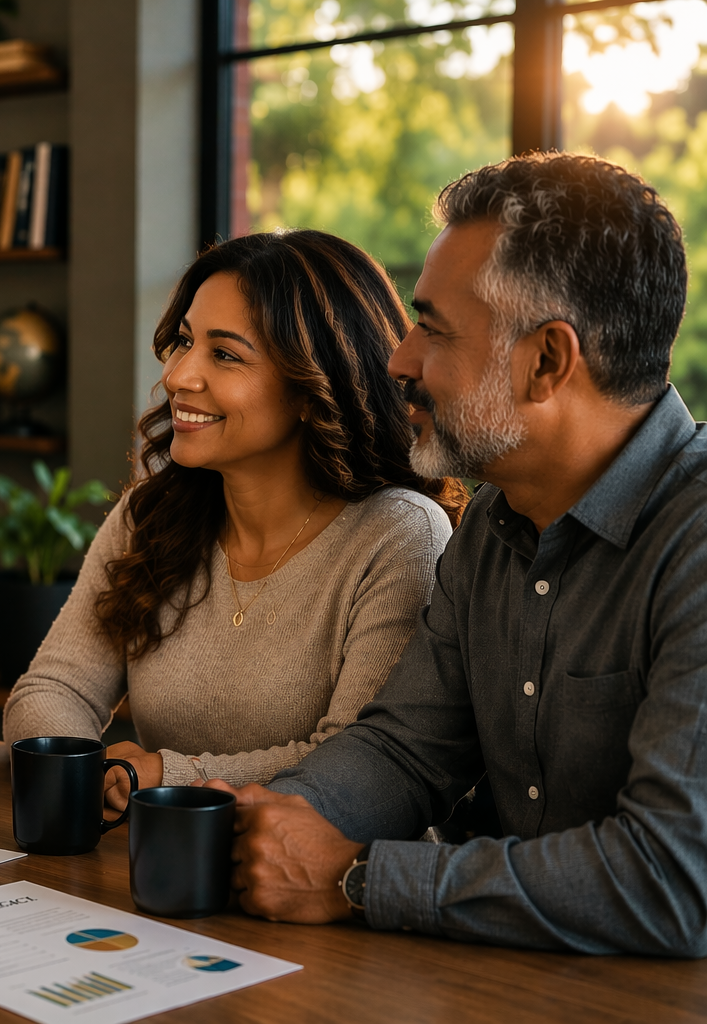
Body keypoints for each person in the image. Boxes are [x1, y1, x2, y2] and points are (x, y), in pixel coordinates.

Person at [217, 152, 707, 957]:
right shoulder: (490, 523)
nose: (399, 360)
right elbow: (407, 750)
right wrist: (266, 820)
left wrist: (358, 877)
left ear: (548, 360)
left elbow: (673, 880)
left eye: (433, 329)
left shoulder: (693, 538)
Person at [3, 230, 467, 806]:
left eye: (224, 354)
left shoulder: (399, 535)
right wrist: (87, 773)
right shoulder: (151, 515)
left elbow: (363, 762)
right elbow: (52, 689)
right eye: (184, 341)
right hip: (163, 857)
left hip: (312, 880)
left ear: (312, 386)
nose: (177, 377)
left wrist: (162, 775)